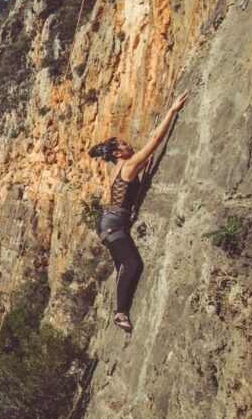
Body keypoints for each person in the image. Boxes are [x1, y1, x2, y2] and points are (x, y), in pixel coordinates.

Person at [88, 92, 189, 332]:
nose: (128, 144)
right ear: (117, 154)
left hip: (109, 223)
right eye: (123, 145)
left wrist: (147, 171)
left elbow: (130, 190)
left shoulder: (120, 168)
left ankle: (120, 309)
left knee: (125, 265)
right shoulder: (129, 164)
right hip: (113, 225)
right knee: (132, 265)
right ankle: (120, 313)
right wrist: (172, 111)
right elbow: (155, 139)